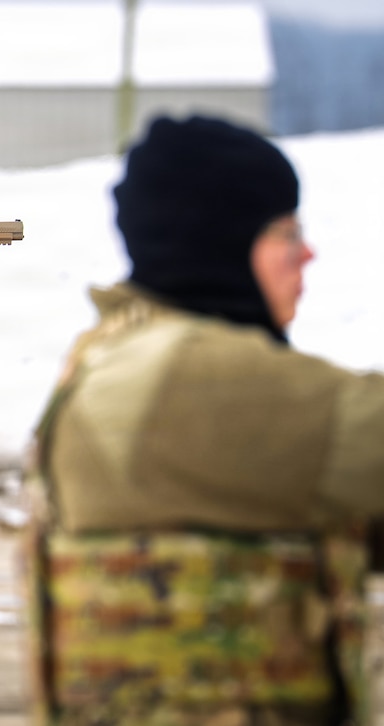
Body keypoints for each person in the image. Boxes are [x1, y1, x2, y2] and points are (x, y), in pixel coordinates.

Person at [22, 114, 384, 725]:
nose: (308, 253)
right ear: (222, 245)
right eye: (285, 233)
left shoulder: (115, 353)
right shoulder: (202, 378)